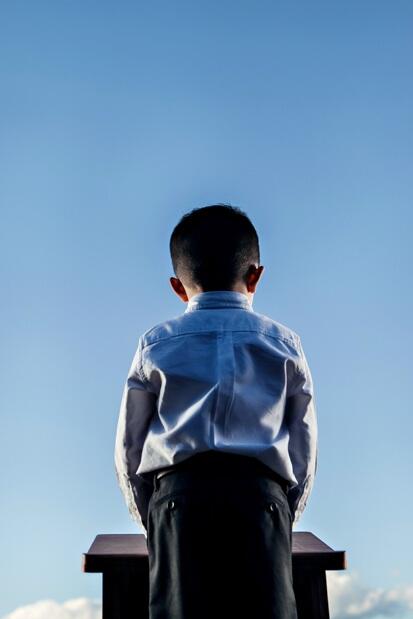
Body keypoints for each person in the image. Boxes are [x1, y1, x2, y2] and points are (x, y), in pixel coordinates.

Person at [114, 204, 318, 619]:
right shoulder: (284, 343)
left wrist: (151, 516)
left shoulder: (155, 343)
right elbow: (303, 446)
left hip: (179, 503)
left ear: (177, 286)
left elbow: (129, 449)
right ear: (256, 275)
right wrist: (284, 511)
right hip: (261, 501)